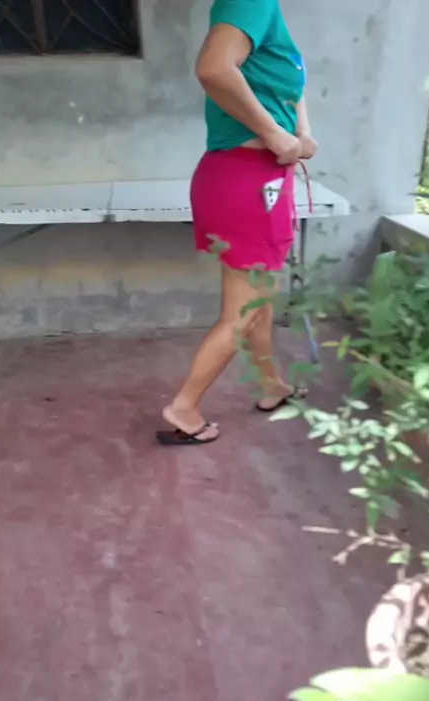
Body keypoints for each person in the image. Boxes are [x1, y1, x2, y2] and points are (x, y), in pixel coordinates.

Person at [156, 0, 318, 446]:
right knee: (242, 311)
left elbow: (289, 90)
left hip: (248, 178)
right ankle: (184, 408)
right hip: (250, 183)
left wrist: (300, 133)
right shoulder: (251, 2)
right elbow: (213, 68)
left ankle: (271, 386)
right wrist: (275, 135)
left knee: (258, 298)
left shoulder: (264, 14)